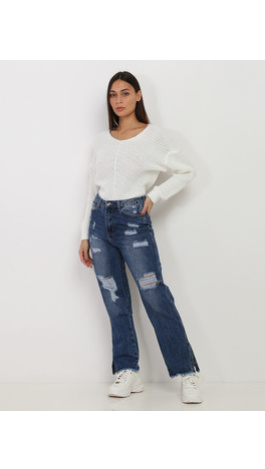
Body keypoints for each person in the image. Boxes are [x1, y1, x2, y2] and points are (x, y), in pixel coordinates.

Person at [78, 71, 203, 404]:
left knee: (154, 295)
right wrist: (84, 234)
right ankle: (127, 370)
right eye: (112, 95)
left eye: (124, 93)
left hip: (133, 222)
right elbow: (91, 190)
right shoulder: (102, 140)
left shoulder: (154, 137)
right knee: (114, 299)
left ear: (138, 95)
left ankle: (187, 372)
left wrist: (155, 196)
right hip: (99, 224)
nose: (118, 100)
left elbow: (186, 171)